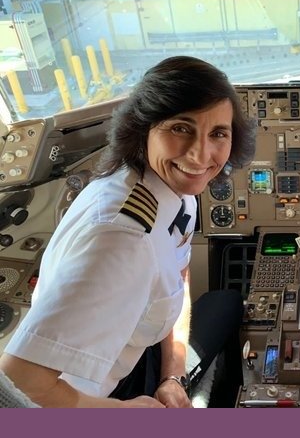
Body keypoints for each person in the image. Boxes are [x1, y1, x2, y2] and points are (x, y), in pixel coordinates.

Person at [0, 56, 256, 407]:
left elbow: (175, 276)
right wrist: (127, 412)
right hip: (89, 395)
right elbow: (22, 383)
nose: (200, 155)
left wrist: (172, 376)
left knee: (226, 301)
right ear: (143, 128)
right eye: (181, 128)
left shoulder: (172, 190)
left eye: (218, 133)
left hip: (140, 351)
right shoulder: (121, 238)